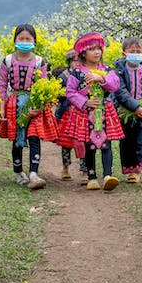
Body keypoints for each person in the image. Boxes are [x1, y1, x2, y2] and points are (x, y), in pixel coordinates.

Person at [0, 24, 58, 190]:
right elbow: (2, 85)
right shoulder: (8, 61)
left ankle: (33, 173)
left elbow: (43, 85)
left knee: (34, 136)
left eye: (28, 39)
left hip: (34, 103)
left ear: (34, 41)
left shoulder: (39, 62)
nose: (24, 41)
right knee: (17, 138)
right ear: (15, 40)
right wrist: (1, 107)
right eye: (21, 38)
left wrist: (38, 106)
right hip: (14, 103)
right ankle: (18, 172)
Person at [61, 32, 124, 191]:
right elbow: (70, 92)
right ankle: (92, 176)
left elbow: (115, 85)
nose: (97, 52)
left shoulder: (106, 69)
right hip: (85, 114)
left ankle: (108, 175)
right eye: (92, 49)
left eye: (99, 49)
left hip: (104, 112)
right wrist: (85, 101)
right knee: (89, 144)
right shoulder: (77, 72)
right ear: (83, 52)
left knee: (106, 143)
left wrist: (101, 79)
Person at [113, 37, 142, 185]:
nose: (135, 54)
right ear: (124, 54)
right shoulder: (118, 72)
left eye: (138, 51)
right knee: (127, 142)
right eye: (131, 51)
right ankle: (132, 171)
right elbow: (120, 93)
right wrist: (135, 107)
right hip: (125, 112)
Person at [52, 49, 87, 183]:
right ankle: (65, 167)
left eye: (79, 61)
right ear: (69, 62)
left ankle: (84, 170)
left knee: (83, 142)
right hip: (67, 113)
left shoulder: (86, 74)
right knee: (66, 143)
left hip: (82, 113)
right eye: (74, 61)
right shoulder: (63, 77)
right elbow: (58, 96)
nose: (77, 64)